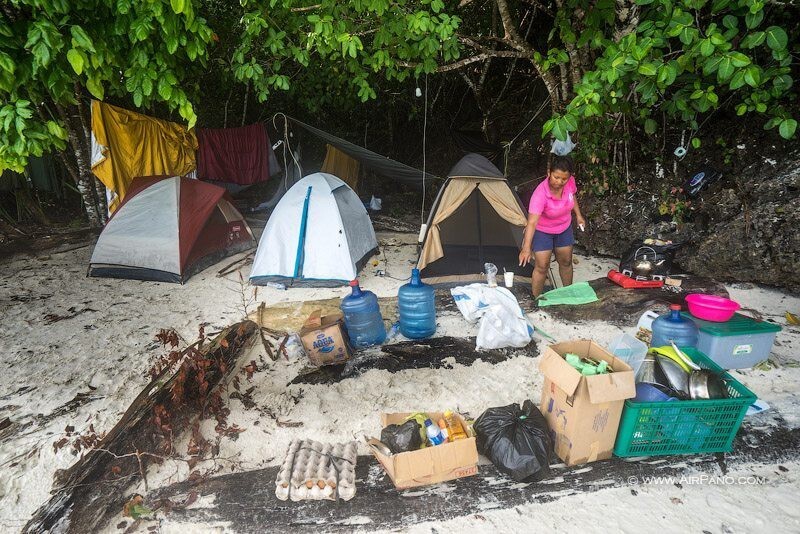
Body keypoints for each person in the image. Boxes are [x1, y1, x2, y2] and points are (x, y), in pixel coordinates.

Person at [518, 155, 586, 297]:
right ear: (549, 173)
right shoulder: (540, 194)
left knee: (566, 262)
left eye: (564, 179)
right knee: (542, 266)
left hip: (564, 228)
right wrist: (526, 248)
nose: (560, 182)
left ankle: (569, 294)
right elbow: (531, 222)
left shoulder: (570, 182)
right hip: (543, 231)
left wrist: (578, 215)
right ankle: (536, 299)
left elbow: (572, 195)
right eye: (556, 177)